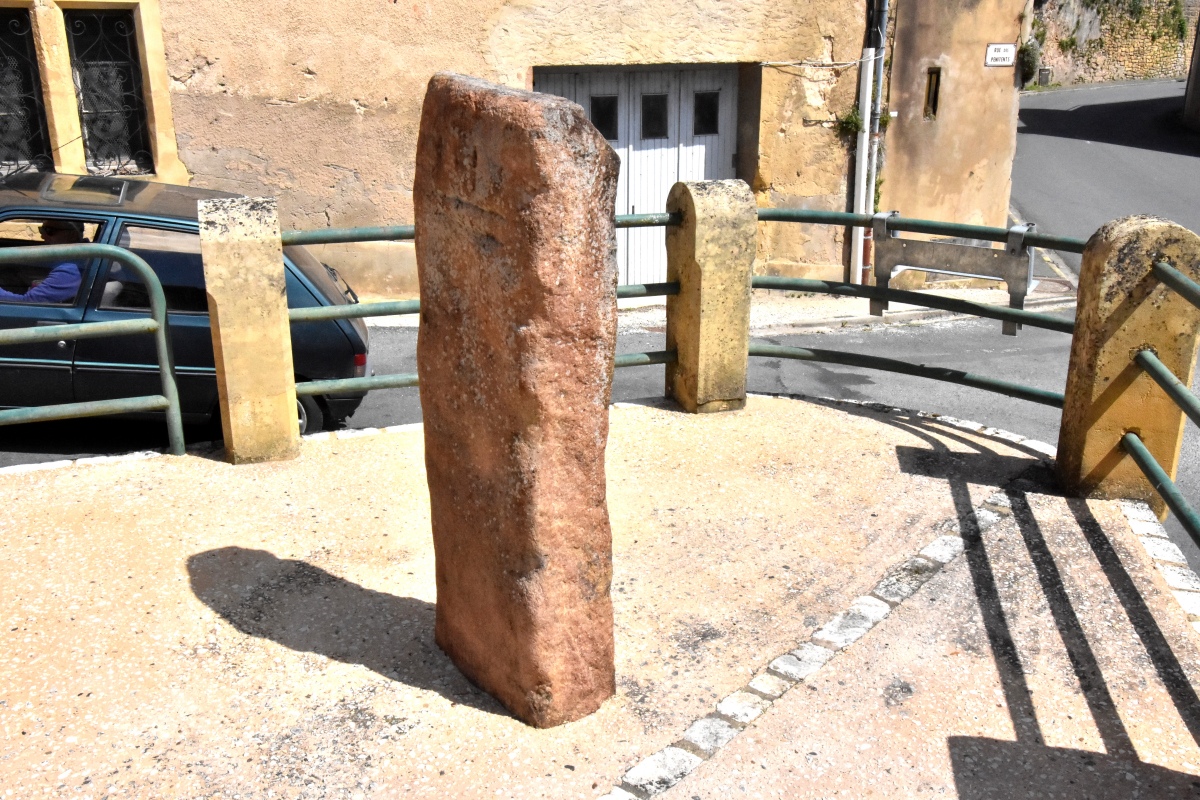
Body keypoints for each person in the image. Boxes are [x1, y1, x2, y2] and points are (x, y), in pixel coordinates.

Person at [0, 219, 85, 304]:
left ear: (72, 235)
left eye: (49, 231)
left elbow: (27, 304)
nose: (42, 236)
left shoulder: (70, 270)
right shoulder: (69, 257)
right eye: (41, 230)